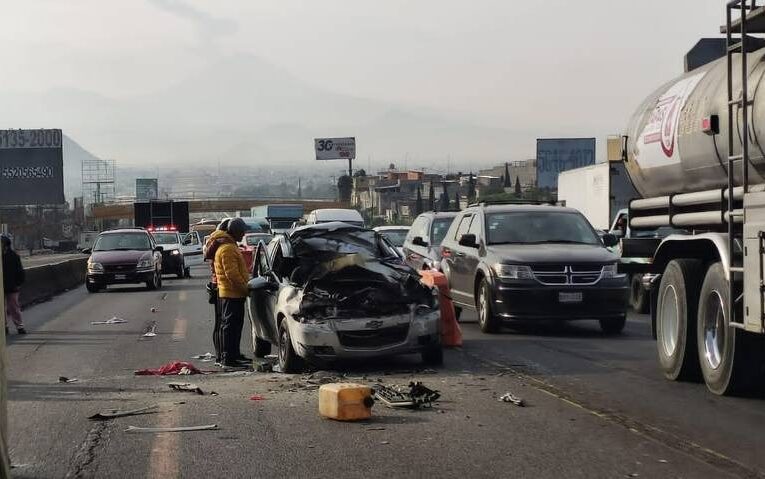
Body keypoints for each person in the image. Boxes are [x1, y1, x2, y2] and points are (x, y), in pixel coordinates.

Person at [213, 218, 250, 367]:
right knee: (230, 327)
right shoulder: (228, 249)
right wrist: (245, 289)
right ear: (235, 232)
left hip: (233, 294)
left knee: (234, 326)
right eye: (242, 232)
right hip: (231, 294)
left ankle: (234, 355)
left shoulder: (229, 246)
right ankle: (229, 358)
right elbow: (232, 275)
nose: (244, 234)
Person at [204, 219, 230, 365]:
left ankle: (221, 354)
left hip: (216, 283)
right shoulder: (221, 241)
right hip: (219, 285)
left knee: (220, 322)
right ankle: (221, 355)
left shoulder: (215, 239)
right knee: (221, 323)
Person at [2, 235, 26, 335]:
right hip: (2, 286)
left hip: (12, 286)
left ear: (6, 245)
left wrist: (18, 283)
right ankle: (4, 326)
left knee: (13, 307)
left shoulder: (14, 256)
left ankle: (19, 326)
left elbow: (20, 271)